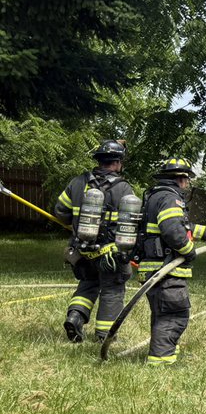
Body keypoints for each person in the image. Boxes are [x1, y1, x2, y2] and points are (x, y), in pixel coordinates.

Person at [136, 157, 206, 366]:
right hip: (166, 268)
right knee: (174, 314)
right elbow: (172, 230)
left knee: (163, 313)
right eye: (186, 180)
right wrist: (189, 251)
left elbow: (183, 226)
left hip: (154, 268)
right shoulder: (170, 198)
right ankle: (161, 361)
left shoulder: (157, 196)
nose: (187, 185)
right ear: (180, 179)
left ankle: (165, 352)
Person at [53, 140, 136, 343]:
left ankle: (75, 316)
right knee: (112, 289)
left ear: (98, 161)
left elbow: (60, 212)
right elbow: (130, 225)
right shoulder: (124, 189)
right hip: (110, 254)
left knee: (88, 283)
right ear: (117, 163)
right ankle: (104, 336)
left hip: (80, 250)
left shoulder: (77, 182)